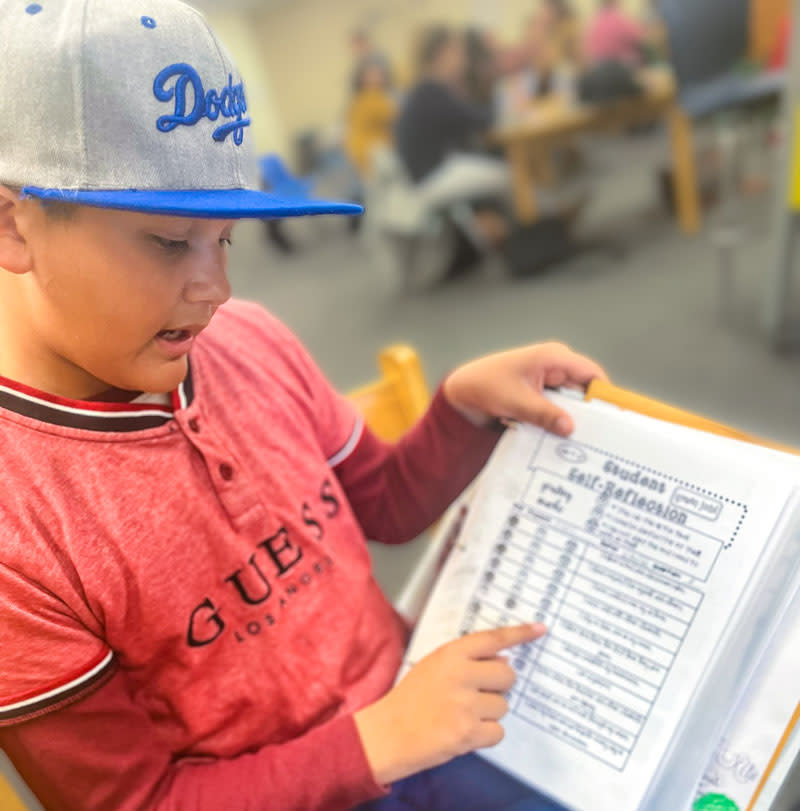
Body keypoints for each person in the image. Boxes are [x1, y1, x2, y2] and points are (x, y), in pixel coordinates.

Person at [0, 1, 607, 810]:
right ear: (14, 224)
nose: (217, 291)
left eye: (228, 239)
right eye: (169, 241)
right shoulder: (19, 519)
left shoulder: (251, 340)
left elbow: (381, 507)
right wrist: (380, 741)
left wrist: (458, 410)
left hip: (422, 711)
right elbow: (135, 800)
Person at [345, 61, 397, 177]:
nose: (378, 77)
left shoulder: (359, 98)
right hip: (372, 154)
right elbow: (397, 119)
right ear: (363, 78)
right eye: (373, 74)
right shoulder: (372, 97)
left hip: (359, 153)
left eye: (379, 74)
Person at [584, 0, 649, 68]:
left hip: (598, 67)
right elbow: (640, 38)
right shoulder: (620, 19)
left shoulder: (595, 21)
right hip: (623, 67)